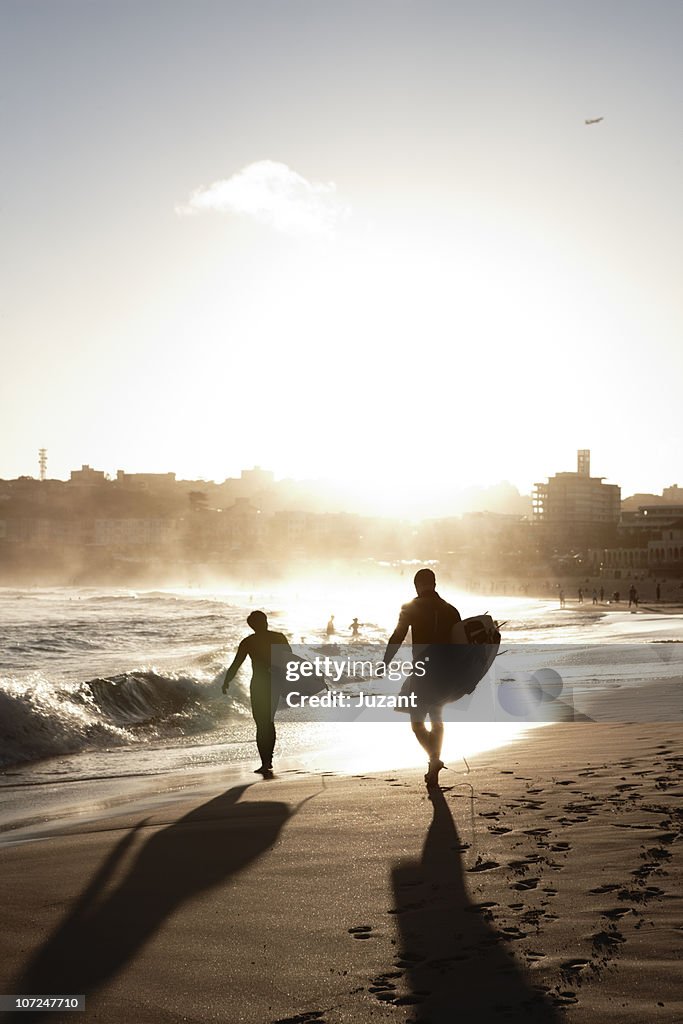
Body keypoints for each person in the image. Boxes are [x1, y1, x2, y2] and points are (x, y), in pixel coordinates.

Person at [382, 568, 461, 788]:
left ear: (416, 585)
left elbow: (397, 636)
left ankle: (434, 760)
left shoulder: (410, 608)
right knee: (437, 719)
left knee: (417, 724)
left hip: (422, 672)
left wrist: (385, 662)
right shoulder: (451, 611)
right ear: (434, 584)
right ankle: (433, 763)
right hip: (445, 673)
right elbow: (462, 647)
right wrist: (466, 678)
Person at [222, 610, 291, 775]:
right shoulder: (278, 637)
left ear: (252, 625)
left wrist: (227, 680)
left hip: (259, 684)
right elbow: (291, 659)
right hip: (274, 683)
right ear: (265, 622)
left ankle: (265, 762)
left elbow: (236, 663)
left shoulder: (248, 642)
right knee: (268, 721)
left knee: (262, 724)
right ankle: (268, 760)